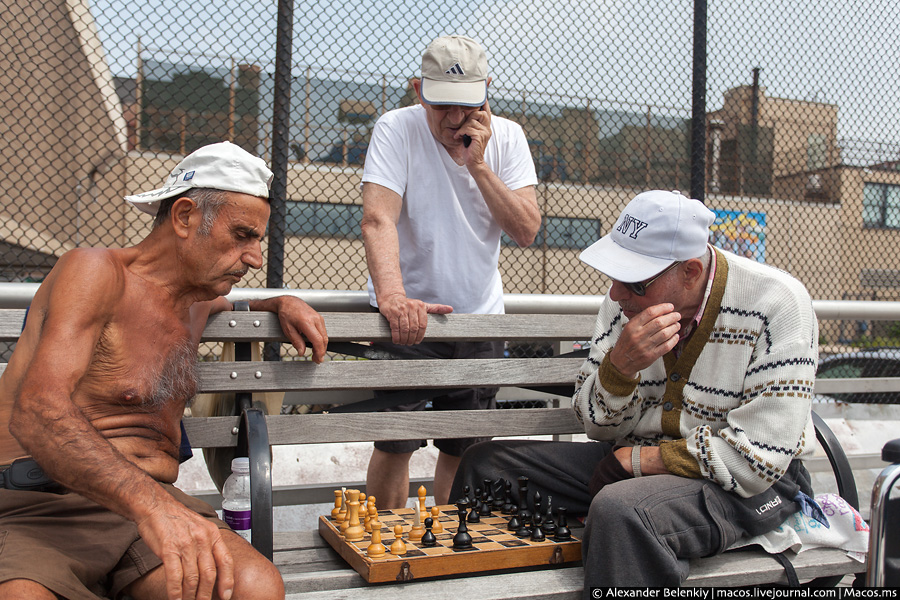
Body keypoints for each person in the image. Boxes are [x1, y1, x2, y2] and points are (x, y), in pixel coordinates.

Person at [0, 141, 328, 600]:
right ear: (185, 217)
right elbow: (37, 410)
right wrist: (153, 508)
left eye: (257, 240)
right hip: (42, 505)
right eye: (241, 235)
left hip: (145, 515)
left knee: (255, 587)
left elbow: (233, 302)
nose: (255, 257)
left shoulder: (195, 300)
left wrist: (279, 302)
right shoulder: (95, 271)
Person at [450, 190, 820, 589]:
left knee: (622, 511)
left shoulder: (779, 303)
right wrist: (619, 370)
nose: (615, 293)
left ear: (690, 272)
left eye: (633, 282)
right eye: (614, 275)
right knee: (486, 466)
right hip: (633, 464)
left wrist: (642, 460)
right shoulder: (624, 304)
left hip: (747, 486)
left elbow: (758, 461)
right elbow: (597, 425)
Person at [360, 35, 541, 509]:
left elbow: (525, 229)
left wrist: (477, 165)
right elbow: (378, 217)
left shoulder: (509, 137)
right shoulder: (395, 128)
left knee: (466, 450)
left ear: (487, 92)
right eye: (442, 106)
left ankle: (449, 552)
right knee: (395, 441)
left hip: (478, 317)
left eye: (467, 105)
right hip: (408, 314)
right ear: (418, 90)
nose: (455, 119)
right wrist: (393, 297)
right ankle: (385, 553)